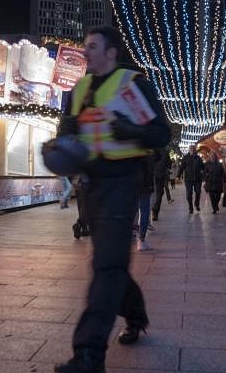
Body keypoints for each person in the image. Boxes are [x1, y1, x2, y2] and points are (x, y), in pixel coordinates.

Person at [56, 26, 170, 373]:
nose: (86, 52)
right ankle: (135, 315)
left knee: (105, 266)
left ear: (111, 52)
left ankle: (89, 354)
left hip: (122, 183)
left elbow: (161, 133)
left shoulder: (132, 85)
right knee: (113, 264)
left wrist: (132, 130)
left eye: (93, 47)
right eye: (85, 46)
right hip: (91, 187)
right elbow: (67, 132)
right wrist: (60, 146)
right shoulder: (79, 90)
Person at [136, 152, 155, 252]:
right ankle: (141, 240)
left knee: (131, 212)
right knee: (144, 211)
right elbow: (150, 171)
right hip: (144, 187)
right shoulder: (148, 154)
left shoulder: (131, 149)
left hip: (132, 185)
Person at [177, 145, 205, 213]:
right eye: (191, 148)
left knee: (198, 192)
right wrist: (178, 176)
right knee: (189, 194)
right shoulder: (185, 158)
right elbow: (181, 167)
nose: (192, 149)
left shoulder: (198, 158)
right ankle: (190, 207)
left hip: (198, 179)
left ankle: (197, 204)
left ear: (195, 150)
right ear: (189, 150)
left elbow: (203, 168)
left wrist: (204, 175)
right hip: (188, 179)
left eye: (193, 148)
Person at [151, 147, 172, 221]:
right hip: (160, 175)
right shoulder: (165, 151)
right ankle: (155, 212)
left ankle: (153, 211)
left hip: (151, 175)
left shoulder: (151, 149)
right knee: (159, 194)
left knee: (153, 193)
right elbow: (169, 164)